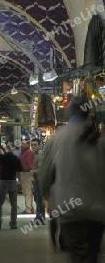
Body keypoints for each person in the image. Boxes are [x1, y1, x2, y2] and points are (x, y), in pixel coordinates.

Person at [39, 95, 105, 262]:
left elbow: (45, 172)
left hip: (70, 210)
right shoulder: (99, 139)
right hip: (97, 210)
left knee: (80, 255)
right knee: (91, 254)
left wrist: (45, 193)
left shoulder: (58, 138)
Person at [0, 143, 23, 230]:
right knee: (14, 204)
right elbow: (19, 171)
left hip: (3, 181)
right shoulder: (16, 158)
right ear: (13, 149)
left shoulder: (2, 157)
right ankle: (13, 223)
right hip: (12, 181)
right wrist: (20, 182)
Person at [30, 139, 46, 225]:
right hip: (37, 180)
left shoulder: (40, 155)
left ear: (39, 145)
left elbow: (41, 169)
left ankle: (40, 218)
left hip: (39, 180)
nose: (33, 147)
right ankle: (40, 218)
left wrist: (31, 172)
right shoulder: (35, 155)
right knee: (37, 199)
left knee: (39, 199)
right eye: (32, 145)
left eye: (35, 145)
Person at [20, 139, 34, 214]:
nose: (21, 144)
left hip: (28, 173)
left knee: (28, 191)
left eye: (23, 143)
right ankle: (29, 207)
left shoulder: (28, 152)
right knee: (26, 191)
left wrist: (31, 176)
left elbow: (31, 165)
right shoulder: (25, 152)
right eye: (21, 143)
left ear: (28, 144)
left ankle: (28, 208)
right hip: (24, 173)